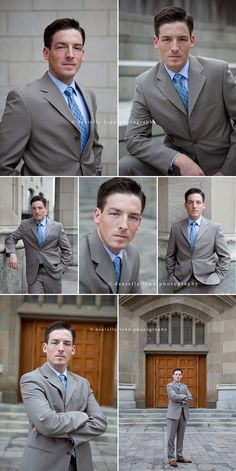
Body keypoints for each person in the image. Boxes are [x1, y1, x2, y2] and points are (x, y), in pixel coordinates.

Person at [120, 6, 236, 176]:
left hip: (222, 164)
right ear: (156, 42)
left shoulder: (218, 71)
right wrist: (177, 159)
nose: (174, 47)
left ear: (192, 40)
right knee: (125, 165)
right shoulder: (144, 84)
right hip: (178, 168)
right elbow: (134, 138)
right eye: (166, 39)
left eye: (182, 39)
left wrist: (226, 171)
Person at [0, 18, 103, 176]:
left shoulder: (89, 95)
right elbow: (3, 165)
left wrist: (96, 173)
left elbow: (94, 147)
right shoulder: (23, 99)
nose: (70, 55)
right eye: (61, 47)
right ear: (46, 53)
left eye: (77, 48)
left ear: (83, 54)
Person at [19, 321, 107, 471]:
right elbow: (47, 423)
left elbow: (100, 423)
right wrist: (82, 416)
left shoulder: (83, 383)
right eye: (55, 342)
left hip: (80, 463)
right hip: (44, 463)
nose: (61, 348)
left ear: (73, 350)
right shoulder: (31, 379)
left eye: (66, 344)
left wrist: (56, 429)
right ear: (45, 347)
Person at [79, 177, 146, 293]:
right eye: (115, 214)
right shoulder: (79, 258)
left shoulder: (133, 254)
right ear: (97, 216)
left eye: (132, 217)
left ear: (139, 222)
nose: (124, 225)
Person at [165, 188, 230, 293]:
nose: (194, 206)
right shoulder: (176, 228)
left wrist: (218, 276)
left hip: (207, 282)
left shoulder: (215, 228)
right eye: (190, 202)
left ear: (203, 205)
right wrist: (172, 277)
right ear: (185, 205)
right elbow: (170, 256)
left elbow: (225, 256)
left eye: (198, 202)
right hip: (181, 283)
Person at [5, 195, 72, 293]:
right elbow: (10, 239)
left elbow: (67, 250)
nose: (37, 211)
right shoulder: (25, 225)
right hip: (34, 273)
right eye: (34, 208)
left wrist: (61, 268)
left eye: (40, 208)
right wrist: (12, 253)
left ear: (46, 209)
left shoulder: (57, 226)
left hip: (53, 272)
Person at [167, 368, 192, 467]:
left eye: (179, 374)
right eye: (176, 374)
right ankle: (171, 458)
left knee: (180, 438)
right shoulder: (169, 385)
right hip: (173, 415)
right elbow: (173, 397)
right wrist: (183, 397)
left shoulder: (185, 386)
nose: (178, 376)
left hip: (183, 414)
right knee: (170, 438)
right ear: (173, 376)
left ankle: (180, 456)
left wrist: (180, 397)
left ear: (181, 376)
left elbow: (190, 398)